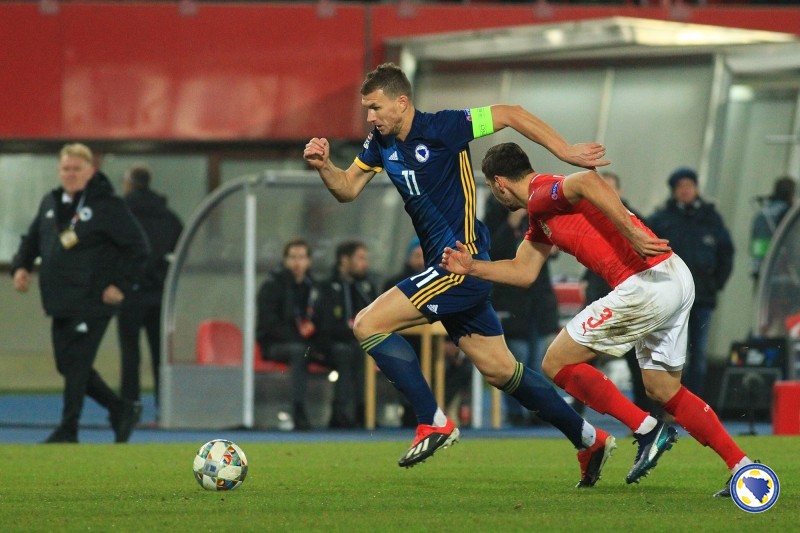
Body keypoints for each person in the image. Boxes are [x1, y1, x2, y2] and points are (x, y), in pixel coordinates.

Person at [304, 62, 619, 488]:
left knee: (367, 323)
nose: (370, 117)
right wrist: (325, 166)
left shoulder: (443, 128)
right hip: (451, 270)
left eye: (375, 108)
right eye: (367, 109)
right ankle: (589, 439)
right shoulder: (380, 143)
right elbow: (347, 189)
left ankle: (432, 421)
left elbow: (509, 113)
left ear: (402, 102)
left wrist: (564, 151)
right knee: (501, 370)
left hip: (460, 263)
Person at [440, 142, 756, 495]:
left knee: (555, 362)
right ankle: (742, 467)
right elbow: (523, 271)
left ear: (499, 183)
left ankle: (647, 429)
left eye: (491, 188)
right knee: (663, 389)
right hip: (672, 276)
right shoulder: (540, 214)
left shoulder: (542, 192)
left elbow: (588, 181)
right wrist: (472, 267)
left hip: (644, 283)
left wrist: (633, 233)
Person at [10, 143, 148, 443]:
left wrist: (120, 285)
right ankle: (120, 408)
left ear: (90, 171)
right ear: (58, 171)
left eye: (76, 169)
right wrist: (21, 266)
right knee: (67, 364)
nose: (70, 174)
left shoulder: (108, 205)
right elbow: (32, 240)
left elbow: (139, 248)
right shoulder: (50, 202)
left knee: (77, 364)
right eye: (66, 168)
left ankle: (69, 428)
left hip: (94, 300)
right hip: (59, 300)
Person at [646, 167, 734, 398]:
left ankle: (694, 404)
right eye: (681, 186)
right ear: (674, 191)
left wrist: (716, 284)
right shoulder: (661, 219)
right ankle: (669, 402)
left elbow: (726, 253)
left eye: (690, 186)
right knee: (669, 353)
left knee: (699, 354)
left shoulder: (711, 218)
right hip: (670, 298)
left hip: (703, 297)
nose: (686, 190)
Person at [579, 171, 658, 416]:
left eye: (609, 187)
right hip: (600, 300)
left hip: (629, 301)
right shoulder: (587, 219)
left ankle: (646, 416)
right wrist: (586, 282)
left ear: (620, 192)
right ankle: (575, 413)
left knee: (637, 362)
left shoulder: (637, 221)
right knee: (583, 358)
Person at [483, 196, 559, 426]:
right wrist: (511, 224)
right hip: (510, 301)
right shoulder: (494, 219)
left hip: (539, 302)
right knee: (517, 359)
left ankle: (540, 411)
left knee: (540, 362)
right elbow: (493, 253)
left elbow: (554, 247)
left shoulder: (536, 214)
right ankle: (516, 412)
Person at [117, 165, 183, 421]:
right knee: (160, 355)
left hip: (129, 294)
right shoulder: (169, 217)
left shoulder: (121, 214)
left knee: (130, 354)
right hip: (159, 296)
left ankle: (129, 409)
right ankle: (164, 409)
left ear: (128, 183)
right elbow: (179, 255)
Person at [256, 239, 324, 431]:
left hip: (307, 343)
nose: (297, 262)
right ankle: (298, 410)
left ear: (308, 261)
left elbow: (322, 318)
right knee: (299, 352)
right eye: (293, 257)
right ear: (285, 260)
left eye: (301, 257)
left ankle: (348, 412)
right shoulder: (272, 286)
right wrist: (298, 336)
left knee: (344, 352)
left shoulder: (315, 288)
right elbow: (268, 324)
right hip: (275, 345)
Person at [315, 240, 378, 428]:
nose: (365, 263)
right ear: (344, 260)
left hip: (357, 343)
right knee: (347, 352)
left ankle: (363, 411)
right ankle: (340, 412)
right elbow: (324, 325)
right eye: (360, 258)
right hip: (329, 345)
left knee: (363, 352)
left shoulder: (366, 288)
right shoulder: (326, 287)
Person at [750, 176, 796, 282]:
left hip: (760, 269)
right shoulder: (789, 214)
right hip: (781, 273)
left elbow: (756, 243)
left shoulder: (762, 213)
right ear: (791, 194)